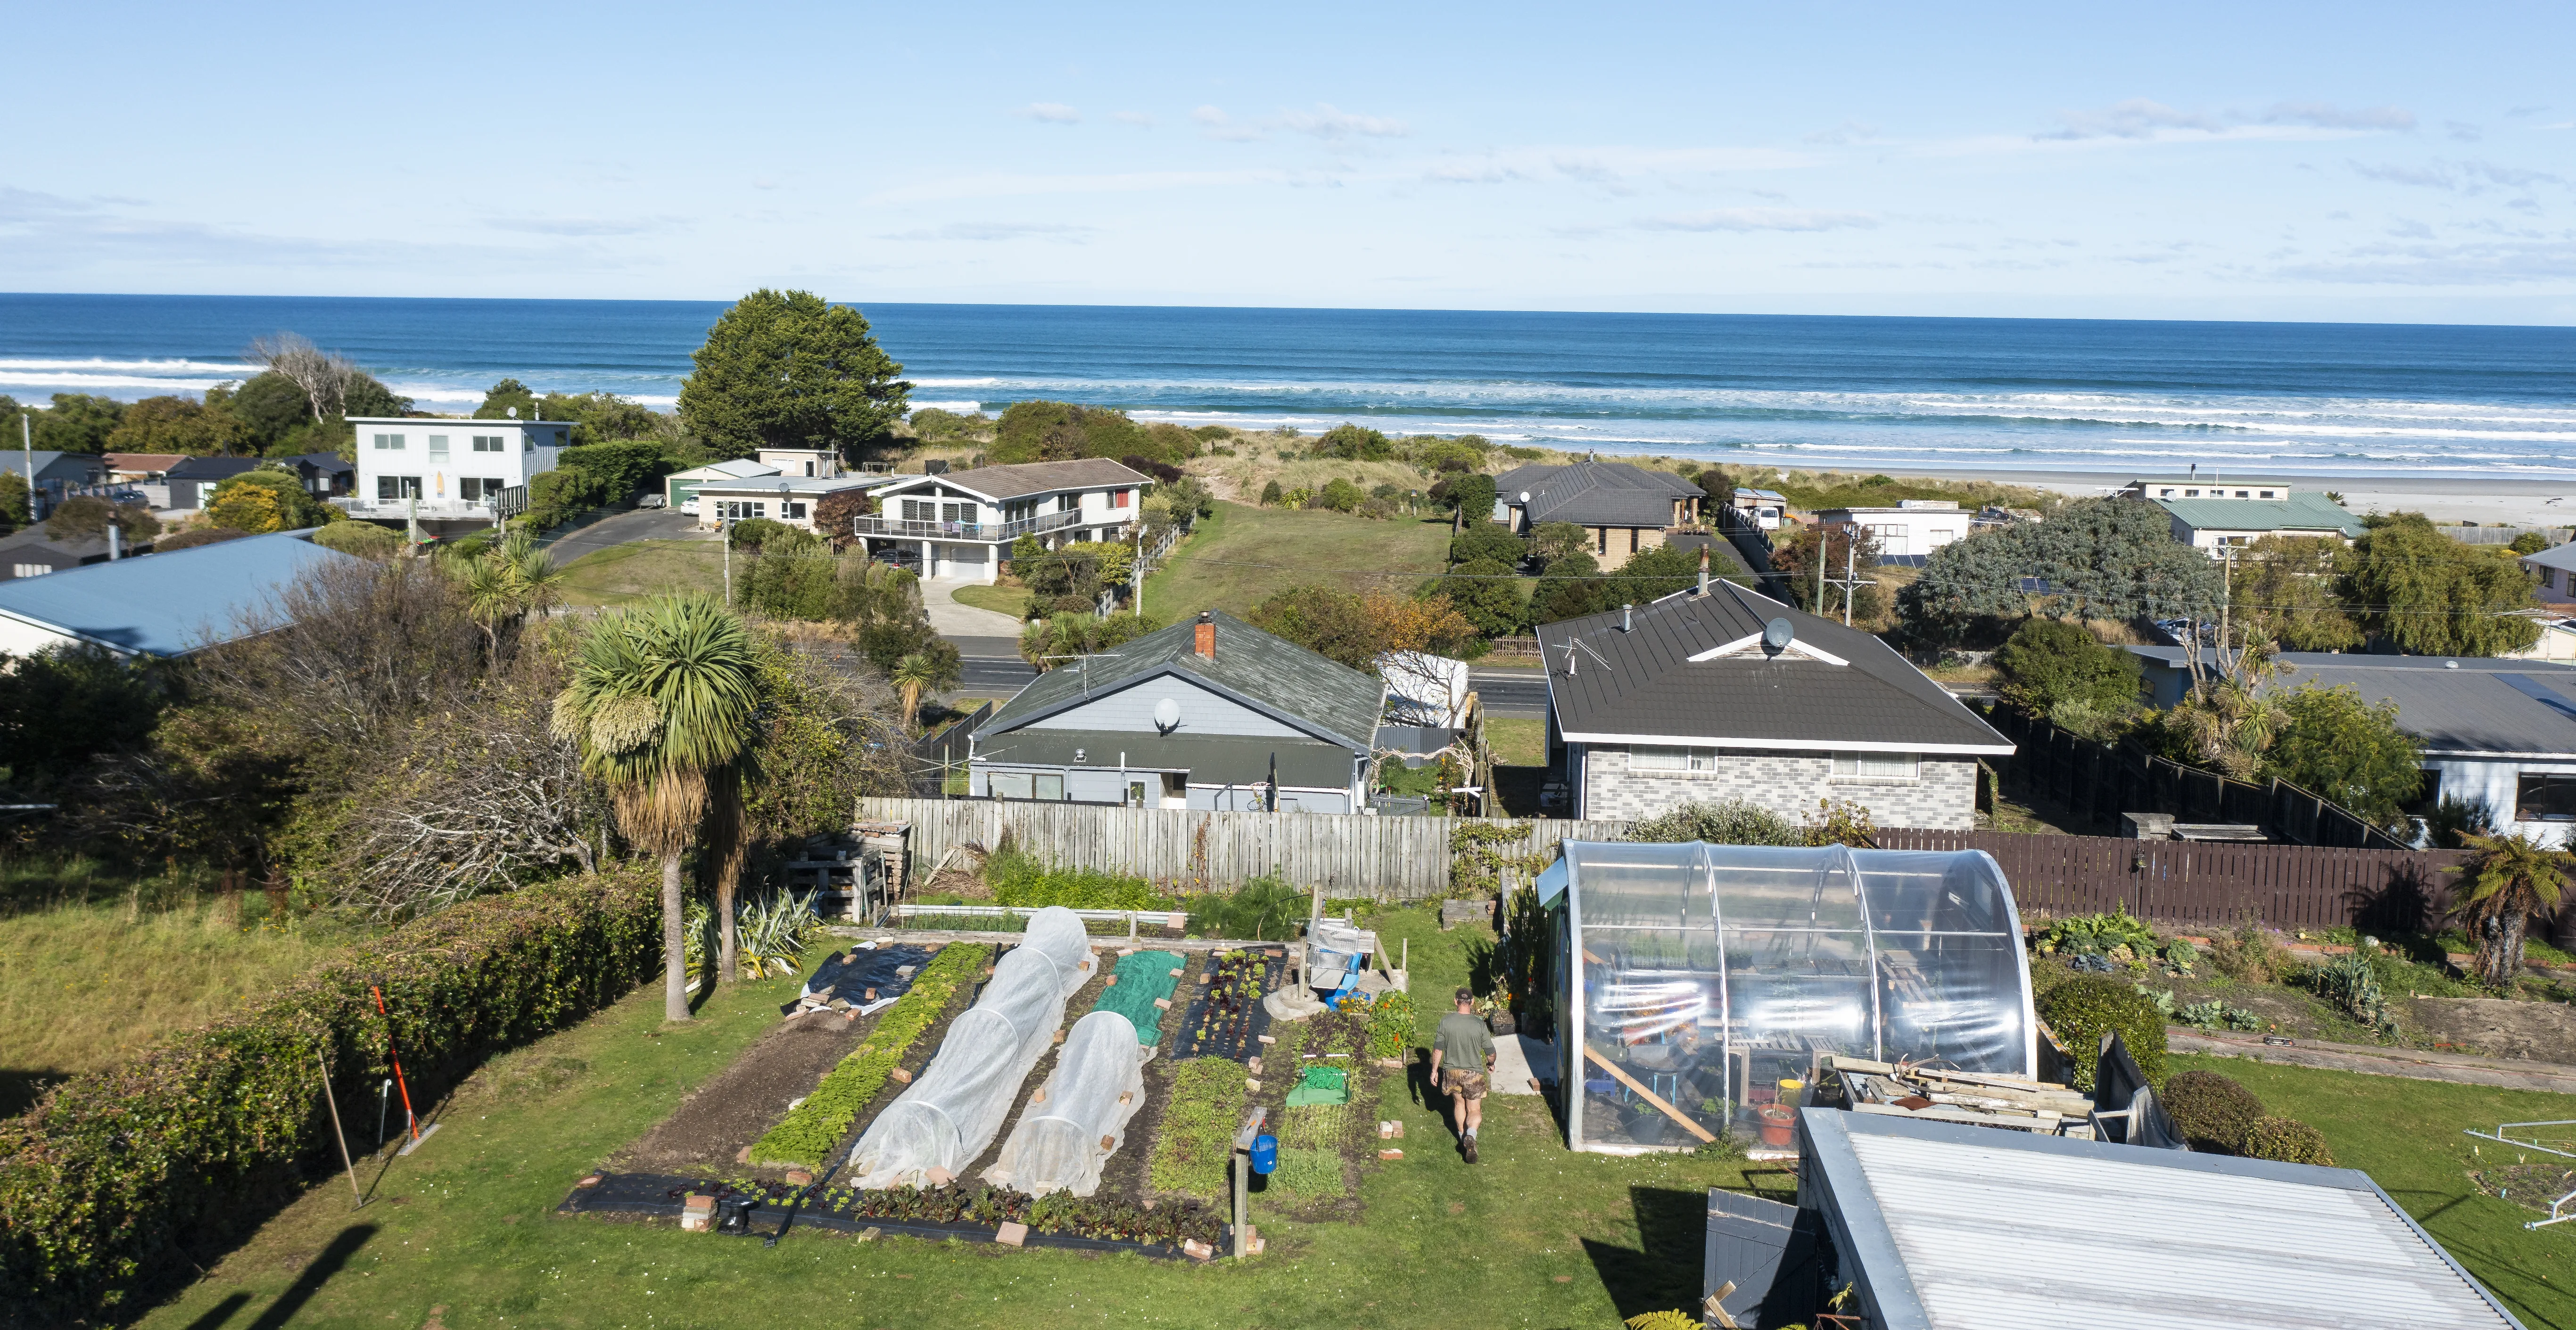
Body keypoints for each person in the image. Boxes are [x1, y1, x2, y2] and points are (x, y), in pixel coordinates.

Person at [1429, 986, 1496, 1163]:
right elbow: (1491, 1052)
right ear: (1472, 1002)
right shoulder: (1479, 1025)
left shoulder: (1446, 1022)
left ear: (1455, 1001)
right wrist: (1491, 1063)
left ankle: (1463, 1141)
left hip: (1451, 1073)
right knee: (1474, 1110)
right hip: (1473, 1073)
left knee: (1459, 1103)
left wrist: (1435, 1070)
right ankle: (1471, 1135)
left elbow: (1437, 1050)